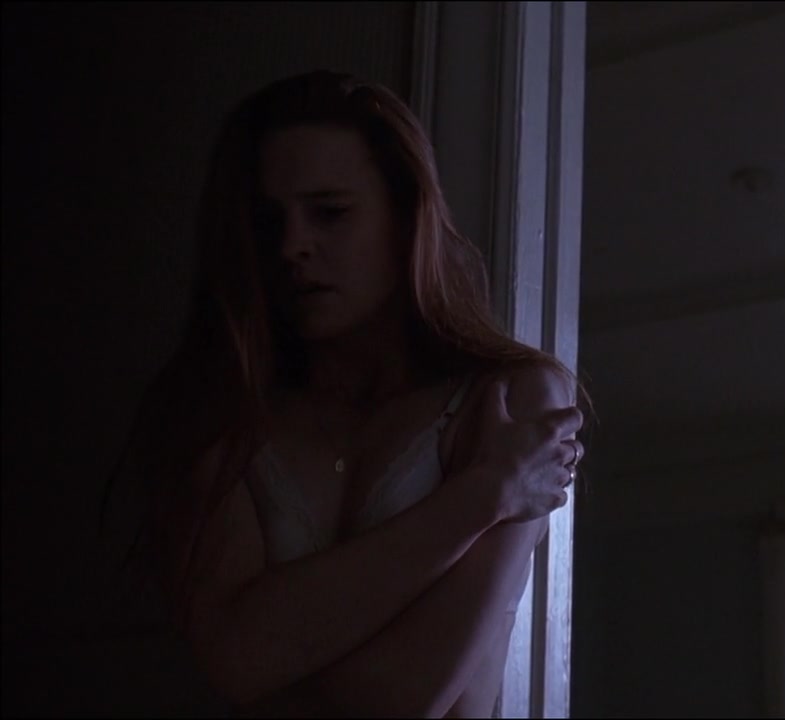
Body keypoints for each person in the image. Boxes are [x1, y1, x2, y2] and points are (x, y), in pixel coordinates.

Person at [98, 69, 587, 718]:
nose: (292, 247)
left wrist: (285, 644)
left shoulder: (509, 402)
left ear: (405, 216)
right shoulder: (225, 415)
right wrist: (482, 496)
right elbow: (238, 659)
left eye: (330, 212)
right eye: (270, 222)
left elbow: (400, 697)